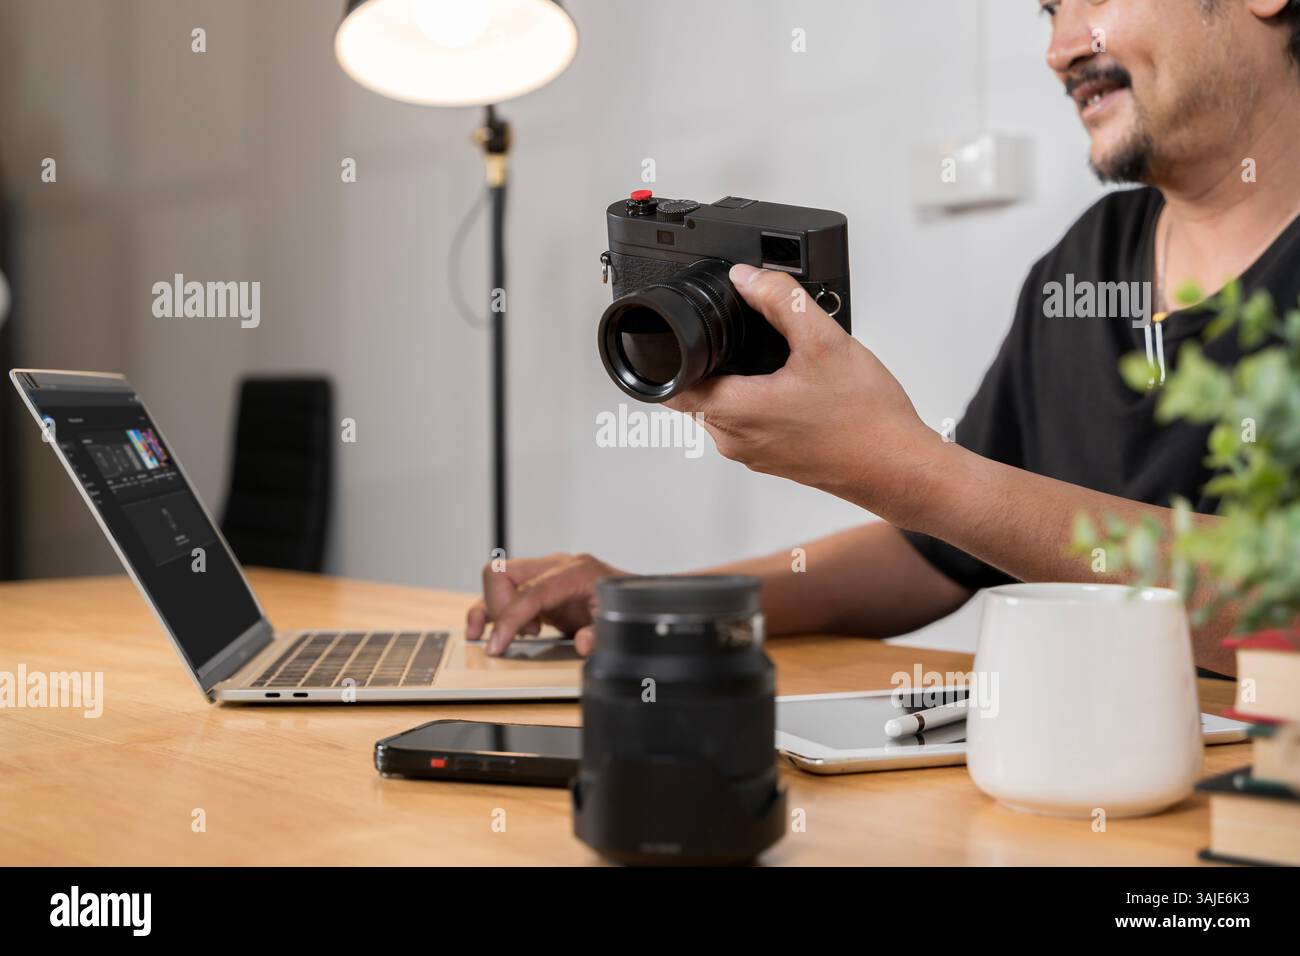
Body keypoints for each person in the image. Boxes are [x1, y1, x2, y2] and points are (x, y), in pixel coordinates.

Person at [468, 0, 1300, 677]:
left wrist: (909, 468)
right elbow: (938, 551)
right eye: (1048, 11)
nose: (1059, 49)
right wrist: (653, 603)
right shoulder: (1086, 264)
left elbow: (1284, 602)